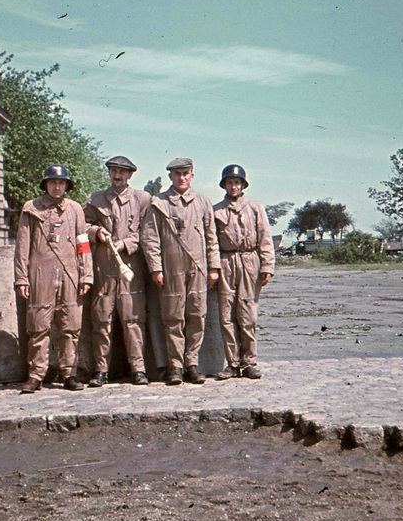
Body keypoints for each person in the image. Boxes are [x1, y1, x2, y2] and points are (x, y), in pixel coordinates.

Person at [14, 164, 93, 393]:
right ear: (45, 184)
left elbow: (82, 243)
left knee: (71, 326)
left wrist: (85, 275)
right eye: (52, 182)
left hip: (70, 274)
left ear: (67, 185)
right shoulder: (31, 208)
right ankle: (36, 375)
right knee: (38, 326)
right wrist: (21, 278)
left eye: (61, 183)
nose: (57, 187)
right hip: (40, 274)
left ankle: (69, 373)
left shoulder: (75, 209)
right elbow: (22, 246)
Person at [141, 158, 220, 385]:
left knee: (196, 316)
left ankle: (191, 364)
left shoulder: (203, 202)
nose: (182, 178)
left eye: (185, 173)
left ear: (192, 175)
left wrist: (214, 267)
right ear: (170, 177)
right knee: (173, 318)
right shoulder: (159, 203)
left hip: (198, 269)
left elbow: (211, 238)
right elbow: (150, 239)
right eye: (177, 174)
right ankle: (175, 366)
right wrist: (156, 268)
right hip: (170, 270)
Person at [83, 155, 151, 387]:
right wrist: (95, 233)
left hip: (130, 270)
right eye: (113, 171)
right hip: (103, 269)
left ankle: (138, 369)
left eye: (122, 172)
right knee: (101, 320)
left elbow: (148, 233)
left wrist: (128, 243)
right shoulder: (95, 199)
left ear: (130, 175)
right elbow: (82, 226)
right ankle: (101, 370)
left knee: (134, 320)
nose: (117, 175)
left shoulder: (142, 199)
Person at [213, 164, 275, 380]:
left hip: (249, 261)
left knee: (247, 313)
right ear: (224, 185)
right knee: (226, 315)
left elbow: (265, 237)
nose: (233, 186)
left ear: (243, 185)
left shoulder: (255, 208)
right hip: (226, 261)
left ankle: (249, 362)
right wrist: (213, 268)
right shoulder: (216, 211)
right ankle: (232, 363)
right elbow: (211, 243)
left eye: (237, 182)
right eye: (229, 182)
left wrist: (267, 265)